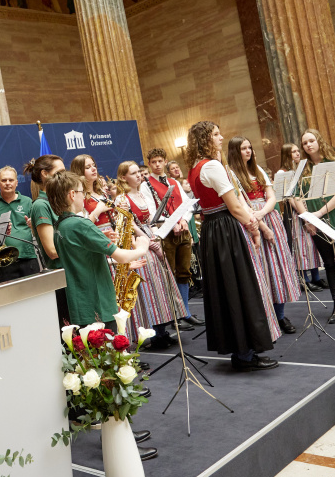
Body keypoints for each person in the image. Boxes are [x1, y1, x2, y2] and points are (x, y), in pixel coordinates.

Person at [185, 121, 278, 371]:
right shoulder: (212, 165)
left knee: (228, 290)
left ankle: (242, 352)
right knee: (240, 288)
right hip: (226, 228)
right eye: (215, 134)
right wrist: (254, 226)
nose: (221, 137)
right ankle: (246, 355)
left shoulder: (194, 168)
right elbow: (235, 205)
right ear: (205, 139)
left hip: (213, 230)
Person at [46, 171, 150, 328]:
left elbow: (81, 258)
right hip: (97, 304)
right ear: (73, 195)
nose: (84, 196)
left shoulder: (60, 225)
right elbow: (122, 256)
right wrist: (142, 248)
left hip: (79, 304)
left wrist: (113, 260)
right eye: (83, 192)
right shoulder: (80, 224)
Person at [227, 137, 300, 334]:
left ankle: (281, 315)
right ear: (235, 151)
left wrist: (262, 212)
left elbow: (272, 196)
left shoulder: (258, 170)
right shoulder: (231, 174)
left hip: (268, 215)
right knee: (261, 269)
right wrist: (257, 220)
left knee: (277, 268)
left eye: (249, 147)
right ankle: (266, 318)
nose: (248, 151)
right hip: (249, 222)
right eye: (243, 148)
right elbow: (239, 204)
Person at [115, 161, 187, 348]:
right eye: (133, 173)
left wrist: (156, 236)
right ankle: (153, 334)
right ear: (123, 177)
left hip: (152, 238)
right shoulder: (122, 199)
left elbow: (151, 220)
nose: (139, 175)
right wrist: (148, 241)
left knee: (161, 286)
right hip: (139, 244)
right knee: (149, 289)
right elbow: (129, 225)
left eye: (139, 172)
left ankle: (163, 331)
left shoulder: (142, 194)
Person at [298, 129, 335, 324]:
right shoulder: (303, 169)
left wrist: (320, 213)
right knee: (330, 265)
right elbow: (297, 195)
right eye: (305, 142)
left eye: (312, 141)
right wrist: (308, 219)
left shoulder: (334, 162)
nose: (308, 145)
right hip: (316, 224)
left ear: (319, 141)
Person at [139, 148, 203, 329]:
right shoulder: (146, 184)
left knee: (184, 272)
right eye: (154, 162)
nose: (158, 165)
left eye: (160, 161)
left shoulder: (173, 181)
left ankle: (185, 312)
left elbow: (186, 206)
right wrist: (172, 222)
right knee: (169, 274)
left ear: (165, 161)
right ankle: (174, 315)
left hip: (181, 230)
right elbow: (152, 212)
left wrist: (183, 220)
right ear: (149, 163)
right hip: (164, 233)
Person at [24, 155, 70, 324]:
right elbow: (51, 250)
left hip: (71, 271)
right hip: (61, 276)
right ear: (45, 174)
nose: (64, 176)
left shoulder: (57, 201)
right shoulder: (41, 205)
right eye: (60, 172)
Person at [277, 143, 324, 293]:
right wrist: (304, 216)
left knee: (312, 243)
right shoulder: (282, 172)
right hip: (295, 213)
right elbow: (290, 197)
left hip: (306, 208)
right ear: (286, 155)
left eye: (298, 151)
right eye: (293, 152)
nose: (298, 154)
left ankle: (316, 277)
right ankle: (305, 279)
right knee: (301, 245)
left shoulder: (300, 169)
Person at [0, 166, 39, 282]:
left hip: (28, 258)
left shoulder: (27, 201)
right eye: (4, 180)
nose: (7, 183)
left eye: (11, 180)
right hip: (3, 262)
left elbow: (39, 230)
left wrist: (33, 226)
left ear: (17, 182)